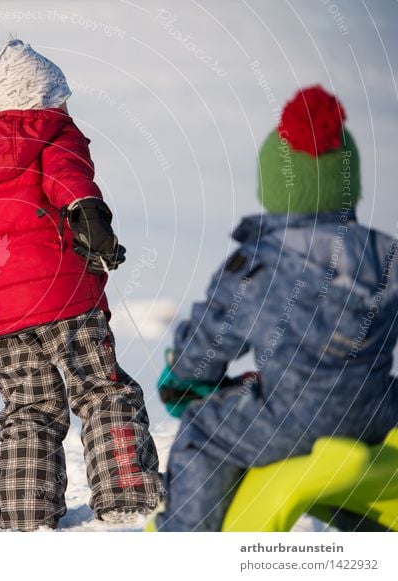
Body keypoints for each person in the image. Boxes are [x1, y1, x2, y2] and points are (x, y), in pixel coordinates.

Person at [0, 39, 164, 531]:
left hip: (2, 315)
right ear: (44, 99)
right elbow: (70, 180)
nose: (65, 104)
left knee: (29, 407)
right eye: (60, 96)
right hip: (65, 298)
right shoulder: (55, 134)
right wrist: (92, 222)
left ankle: (25, 512)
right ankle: (126, 496)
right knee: (102, 392)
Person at [154, 86, 398, 531]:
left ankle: (186, 544)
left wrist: (186, 377)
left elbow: (213, 337)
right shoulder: (386, 254)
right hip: (377, 415)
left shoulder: (263, 260)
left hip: (292, 420)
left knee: (202, 433)